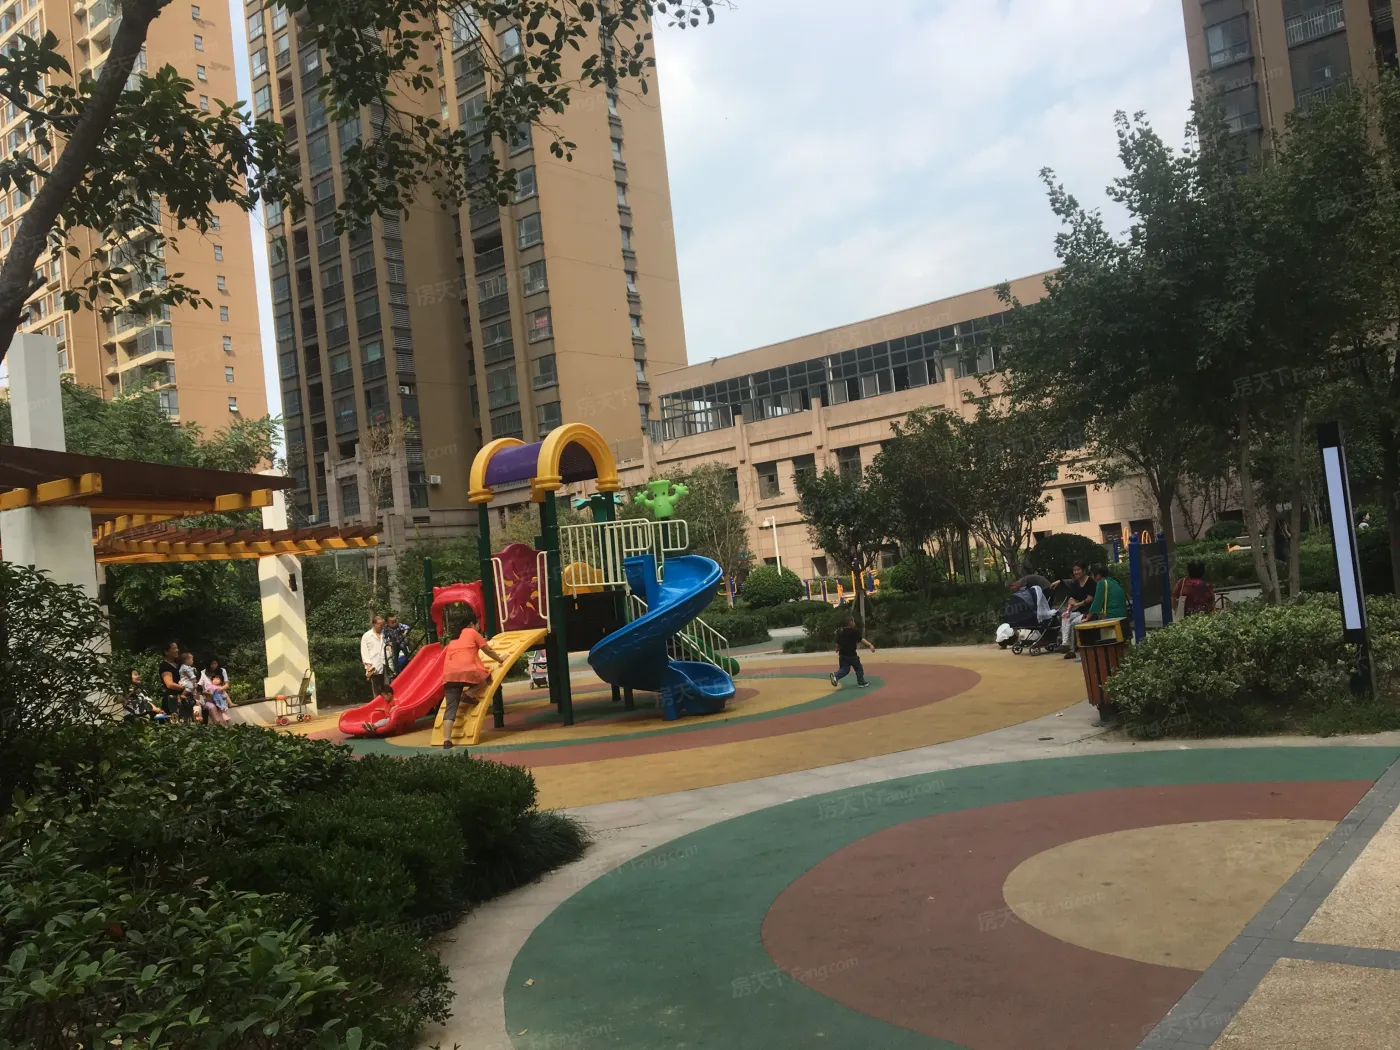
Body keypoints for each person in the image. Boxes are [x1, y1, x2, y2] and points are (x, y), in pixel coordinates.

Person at [440, 607, 504, 749]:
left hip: (449, 675)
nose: (479, 627)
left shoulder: (453, 639)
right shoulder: (472, 632)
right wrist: (500, 659)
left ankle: (447, 740)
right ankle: (468, 694)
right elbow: (487, 650)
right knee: (486, 678)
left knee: (450, 708)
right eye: (478, 624)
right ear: (471, 624)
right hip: (467, 671)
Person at [1087, 565, 1128, 728]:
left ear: (1097, 575)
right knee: (1115, 661)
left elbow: (1097, 603)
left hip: (1109, 623)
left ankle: (1107, 711)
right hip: (1122, 624)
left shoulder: (1101, 584)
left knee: (1104, 663)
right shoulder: (1115, 583)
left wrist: (1088, 617)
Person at [1059, 563, 1096, 660]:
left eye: (1078, 570)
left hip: (1090, 611)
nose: (1076, 572)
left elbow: (1090, 599)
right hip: (1080, 611)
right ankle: (1065, 643)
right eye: (1074, 570)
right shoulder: (1075, 583)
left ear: (1084, 570)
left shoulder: (1091, 582)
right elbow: (1071, 598)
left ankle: (1072, 649)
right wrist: (1068, 611)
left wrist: (1077, 604)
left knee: (1073, 623)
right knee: (1066, 616)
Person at [829, 617, 875, 688]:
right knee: (858, 668)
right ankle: (861, 682)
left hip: (842, 655)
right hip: (852, 655)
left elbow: (838, 642)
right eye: (853, 621)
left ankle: (836, 675)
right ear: (850, 622)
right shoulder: (854, 631)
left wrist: (837, 649)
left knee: (844, 669)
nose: (854, 623)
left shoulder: (840, 632)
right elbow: (861, 639)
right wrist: (870, 645)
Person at [199, 657, 232, 726]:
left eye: (215, 663)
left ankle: (227, 724)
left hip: (219, 695)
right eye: (212, 664)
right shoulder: (203, 673)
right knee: (212, 707)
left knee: (223, 703)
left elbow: (227, 684)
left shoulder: (222, 671)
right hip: (208, 698)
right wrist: (208, 693)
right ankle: (218, 725)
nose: (214, 665)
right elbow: (200, 688)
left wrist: (221, 688)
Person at [360, 615, 387, 699]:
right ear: (374, 624)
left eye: (382, 625)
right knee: (376, 687)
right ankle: (377, 702)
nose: (381, 626)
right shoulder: (367, 635)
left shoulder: (385, 634)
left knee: (387, 686)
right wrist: (368, 664)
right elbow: (364, 651)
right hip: (374, 664)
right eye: (379, 624)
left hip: (385, 663)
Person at [158, 641, 186, 721]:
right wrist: (185, 688)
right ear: (166, 652)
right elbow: (169, 684)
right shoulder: (165, 666)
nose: (177, 650)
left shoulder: (179, 664)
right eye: (174, 649)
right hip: (172, 699)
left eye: (177, 648)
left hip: (183, 698)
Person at [383, 612, 410, 680]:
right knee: (394, 657)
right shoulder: (386, 629)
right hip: (394, 644)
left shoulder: (399, 625)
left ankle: (409, 660)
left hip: (401, 641)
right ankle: (396, 671)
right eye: (392, 622)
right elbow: (384, 637)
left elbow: (407, 627)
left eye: (395, 621)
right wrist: (388, 643)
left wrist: (405, 632)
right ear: (387, 623)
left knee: (403, 647)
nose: (394, 623)